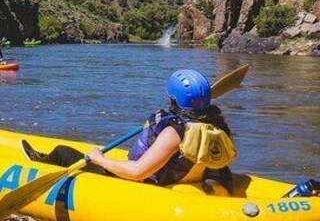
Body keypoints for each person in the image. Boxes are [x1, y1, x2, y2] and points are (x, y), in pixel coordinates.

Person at [22, 69, 236, 188]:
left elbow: (137, 172)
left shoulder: (176, 131)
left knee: (62, 151)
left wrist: (99, 158)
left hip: (143, 186)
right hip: (184, 182)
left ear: (172, 98)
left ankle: (39, 166)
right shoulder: (215, 126)